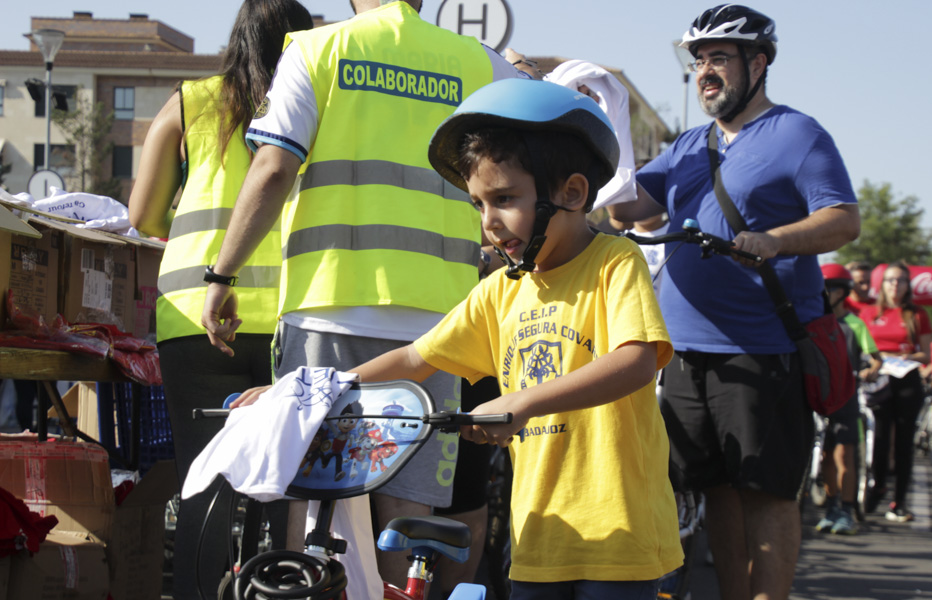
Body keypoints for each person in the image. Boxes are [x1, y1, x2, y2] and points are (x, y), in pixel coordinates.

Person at [235, 77, 685, 596]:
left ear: (573, 192)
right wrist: (306, 390)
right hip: (539, 540)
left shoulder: (614, 262)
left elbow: (636, 362)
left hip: (620, 540)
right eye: (478, 204)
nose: (489, 222)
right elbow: (413, 358)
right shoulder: (499, 292)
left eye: (505, 198)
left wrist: (522, 402)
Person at [198, 0, 528, 586]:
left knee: (310, 502)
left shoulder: (316, 50)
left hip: (327, 311)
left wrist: (223, 276)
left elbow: (274, 167)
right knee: (409, 518)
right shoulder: (480, 65)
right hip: (437, 328)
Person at [610, 6, 860, 598]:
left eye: (718, 58)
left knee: (766, 495)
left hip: (760, 349)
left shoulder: (798, 134)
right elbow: (625, 211)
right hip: (682, 351)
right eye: (698, 61)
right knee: (715, 488)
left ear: (759, 62)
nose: (704, 72)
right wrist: (606, 119)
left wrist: (775, 241)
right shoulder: (688, 145)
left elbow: (843, 219)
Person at [126, 2, 314, 597]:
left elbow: (142, 215)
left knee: (204, 486)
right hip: (295, 314)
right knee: (289, 490)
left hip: (199, 317)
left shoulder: (191, 101)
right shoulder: (318, 100)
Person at [859, 261, 932, 522]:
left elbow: (927, 354)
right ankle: (877, 485)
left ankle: (899, 500)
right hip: (878, 379)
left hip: (906, 379)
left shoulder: (916, 314)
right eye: (891, 280)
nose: (895, 285)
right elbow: (860, 348)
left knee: (904, 441)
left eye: (901, 280)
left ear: (907, 285)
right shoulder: (869, 313)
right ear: (883, 284)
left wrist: (905, 356)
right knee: (879, 438)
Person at [815, 263, 880, 536]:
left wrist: (867, 371)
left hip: (846, 396)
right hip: (819, 397)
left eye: (828, 290)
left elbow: (876, 359)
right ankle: (831, 507)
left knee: (845, 455)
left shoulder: (855, 323)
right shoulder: (815, 322)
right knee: (826, 456)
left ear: (841, 292)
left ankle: (847, 508)